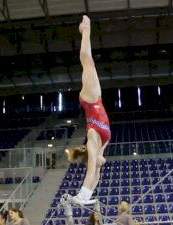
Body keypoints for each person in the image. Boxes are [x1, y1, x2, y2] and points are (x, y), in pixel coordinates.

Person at [66, 15, 111, 205]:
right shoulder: (104, 142)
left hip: (91, 100)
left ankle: (86, 29)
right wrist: (90, 194)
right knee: (88, 62)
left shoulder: (93, 141)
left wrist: (82, 195)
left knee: (87, 60)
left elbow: (92, 168)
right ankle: (86, 29)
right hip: (96, 99)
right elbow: (97, 176)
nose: (104, 163)